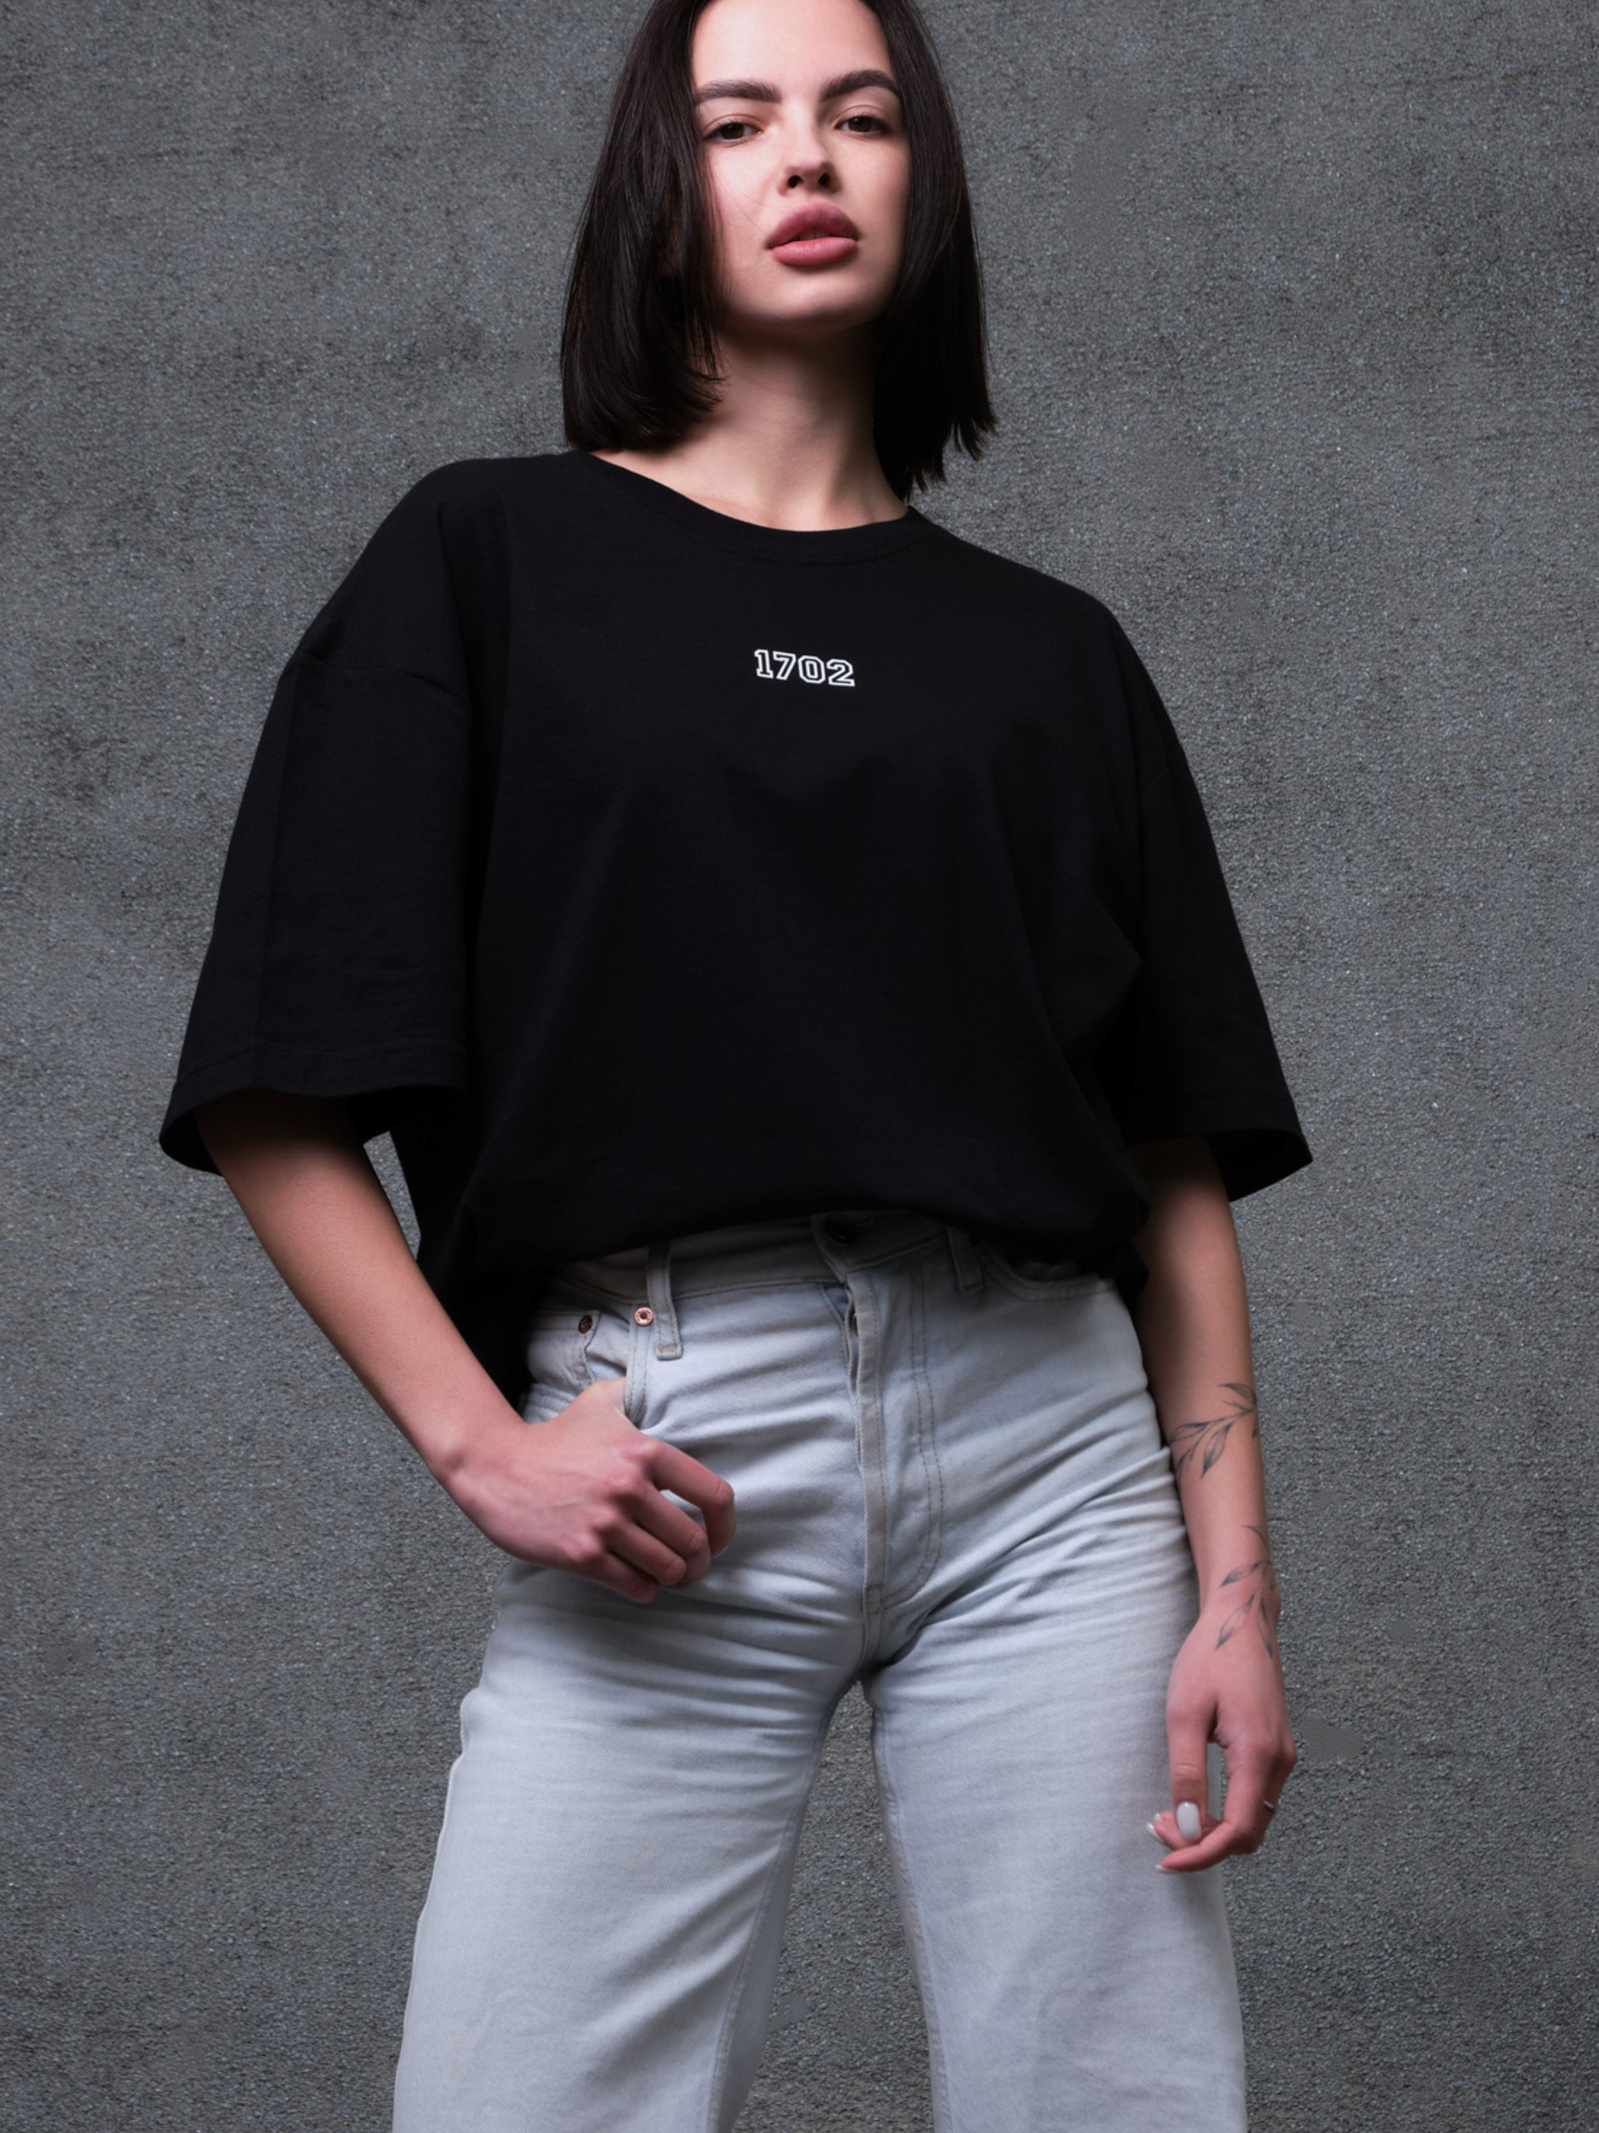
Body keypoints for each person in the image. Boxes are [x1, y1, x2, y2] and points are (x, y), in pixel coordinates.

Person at [160, 0, 1309, 2124]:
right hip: (675, 1433)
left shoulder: (1052, 654)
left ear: (919, 185)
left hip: (1055, 1464)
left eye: (862, 115)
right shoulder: (484, 556)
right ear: (657, 187)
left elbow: (1170, 1161)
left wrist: (1233, 1593)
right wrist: (480, 1444)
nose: (808, 157)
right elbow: (271, 1086)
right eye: (738, 118)